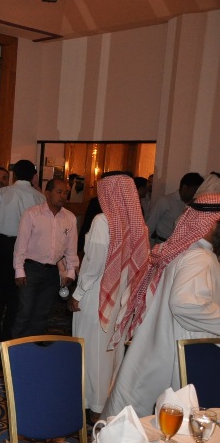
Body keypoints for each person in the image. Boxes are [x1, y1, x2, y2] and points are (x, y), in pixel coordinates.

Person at [103, 194, 220, 417]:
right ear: (211, 223)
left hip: (165, 339)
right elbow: (185, 304)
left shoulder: (187, 251)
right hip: (183, 346)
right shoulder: (199, 258)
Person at [68, 173, 149, 418]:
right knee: (112, 352)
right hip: (121, 297)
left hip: (97, 295)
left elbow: (93, 264)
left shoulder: (103, 221)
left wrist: (78, 293)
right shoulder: (137, 223)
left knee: (92, 350)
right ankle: (107, 404)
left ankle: (94, 406)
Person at [0, 160, 44, 342]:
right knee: (18, 293)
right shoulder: (39, 197)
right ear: (33, 176)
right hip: (28, 247)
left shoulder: (2, 193)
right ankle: (9, 335)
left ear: (14, 174)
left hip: (3, 244)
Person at [12, 178, 79, 338]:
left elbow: (71, 249)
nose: (63, 196)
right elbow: (21, 245)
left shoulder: (70, 218)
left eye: (66, 193)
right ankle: (15, 349)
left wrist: (71, 273)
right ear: (47, 194)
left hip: (53, 272)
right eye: (59, 192)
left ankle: (34, 348)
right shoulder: (32, 214)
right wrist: (19, 270)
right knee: (25, 311)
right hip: (31, 269)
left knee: (42, 313)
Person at [146, 172, 204, 245]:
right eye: (195, 191)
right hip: (162, 244)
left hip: (181, 246)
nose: (196, 194)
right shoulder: (165, 201)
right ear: (185, 188)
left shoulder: (194, 205)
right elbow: (149, 226)